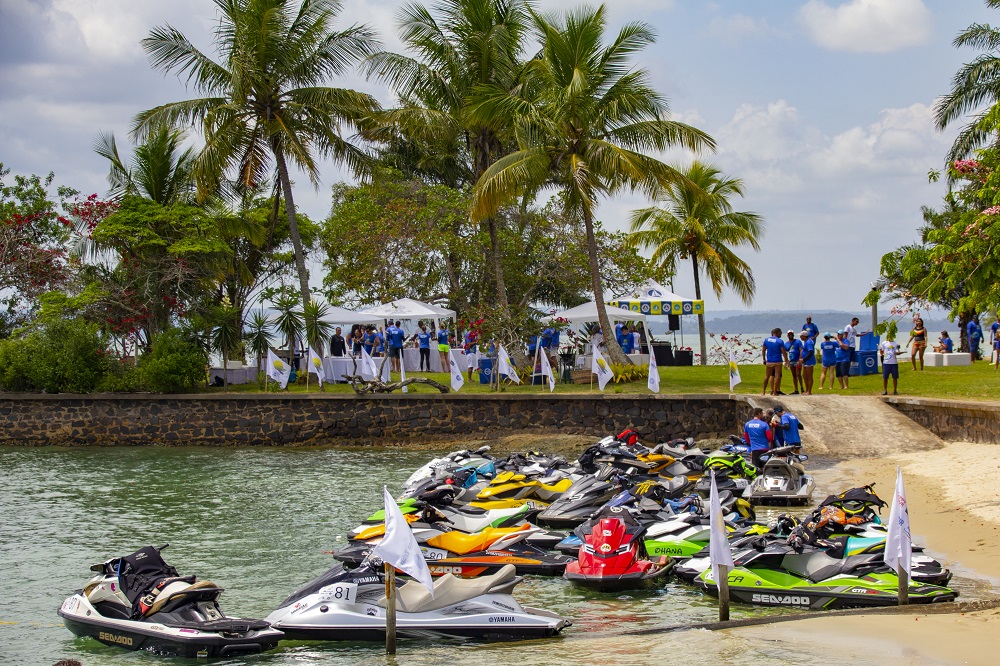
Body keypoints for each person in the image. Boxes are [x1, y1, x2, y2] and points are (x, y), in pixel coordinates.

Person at [761, 327, 789, 396]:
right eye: (780, 333)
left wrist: (764, 358)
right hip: (777, 360)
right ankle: (775, 392)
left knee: (767, 376)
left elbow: (763, 350)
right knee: (777, 376)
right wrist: (786, 360)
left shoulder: (766, 340)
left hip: (769, 360)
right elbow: (783, 351)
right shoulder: (780, 341)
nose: (781, 334)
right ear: (777, 333)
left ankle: (763, 391)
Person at [784, 329, 804, 394]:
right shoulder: (786, 344)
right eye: (789, 334)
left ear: (793, 334)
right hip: (791, 361)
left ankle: (802, 387)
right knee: (794, 375)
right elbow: (785, 352)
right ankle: (796, 389)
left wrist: (800, 359)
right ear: (787, 335)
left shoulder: (798, 342)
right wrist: (786, 361)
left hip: (797, 360)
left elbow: (801, 350)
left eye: (791, 334)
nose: (790, 335)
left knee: (798, 374)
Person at [798, 330, 815, 395]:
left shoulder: (809, 342)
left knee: (809, 376)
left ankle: (809, 391)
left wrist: (804, 359)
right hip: (805, 362)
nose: (800, 337)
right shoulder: (806, 342)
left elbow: (811, 352)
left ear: (804, 336)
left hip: (809, 361)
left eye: (801, 336)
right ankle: (807, 389)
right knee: (804, 376)